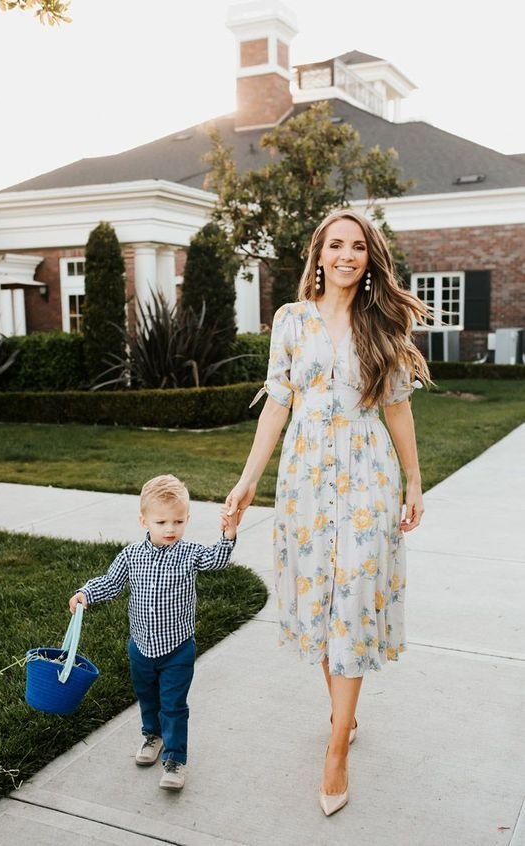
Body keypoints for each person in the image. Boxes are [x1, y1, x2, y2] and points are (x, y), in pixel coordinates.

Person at [225, 209, 431, 816]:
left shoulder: (383, 323)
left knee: (355, 595)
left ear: (370, 259)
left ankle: (337, 745)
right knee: (320, 599)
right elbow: (275, 408)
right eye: (336, 244)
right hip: (306, 478)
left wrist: (414, 481)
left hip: (368, 473)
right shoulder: (290, 321)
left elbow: (397, 409)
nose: (346, 255)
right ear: (318, 254)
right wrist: (245, 484)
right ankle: (346, 711)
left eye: (358, 247)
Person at [69, 474, 237, 792]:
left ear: (187, 519)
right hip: (141, 646)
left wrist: (228, 534)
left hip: (177, 648)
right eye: (161, 522)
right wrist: (85, 593)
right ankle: (153, 735)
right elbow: (111, 583)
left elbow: (216, 560)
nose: (170, 529)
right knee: (147, 697)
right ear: (144, 520)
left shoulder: (189, 554)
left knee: (173, 703)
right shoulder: (132, 556)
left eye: (178, 521)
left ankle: (175, 759)